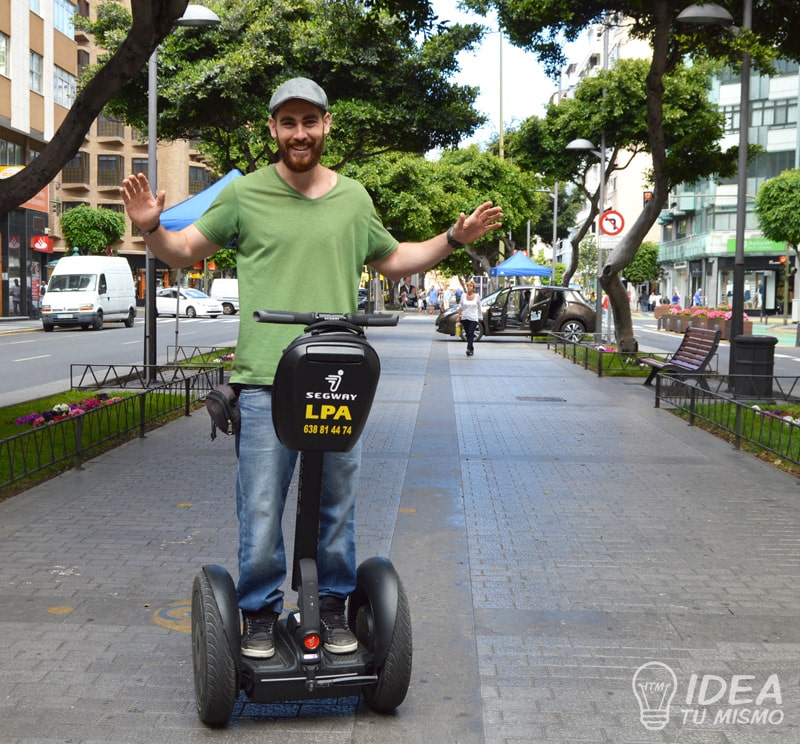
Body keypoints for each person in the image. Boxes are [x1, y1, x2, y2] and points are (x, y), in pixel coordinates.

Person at [119, 77, 503, 660]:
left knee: (336, 500)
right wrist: (151, 227)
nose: (300, 133)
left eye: (309, 122)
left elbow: (396, 259)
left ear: (326, 125)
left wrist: (452, 237)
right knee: (263, 502)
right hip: (264, 379)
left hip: (336, 376)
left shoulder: (354, 198)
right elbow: (181, 251)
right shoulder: (244, 195)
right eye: (288, 123)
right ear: (273, 129)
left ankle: (328, 606)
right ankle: (257, 612)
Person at [456, 280, 482, 356]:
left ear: (473, 287)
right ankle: (471, 348)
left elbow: (479, 307)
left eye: (471, 286)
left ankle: (468, 349)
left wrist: (480, 317)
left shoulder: (477, 296)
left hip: (473, 318)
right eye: (468, 286)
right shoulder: (463, 296)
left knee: (471, 333)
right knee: (468, 334)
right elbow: (461, 307)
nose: (469, 288)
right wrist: (458, 316)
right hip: (465, 317)